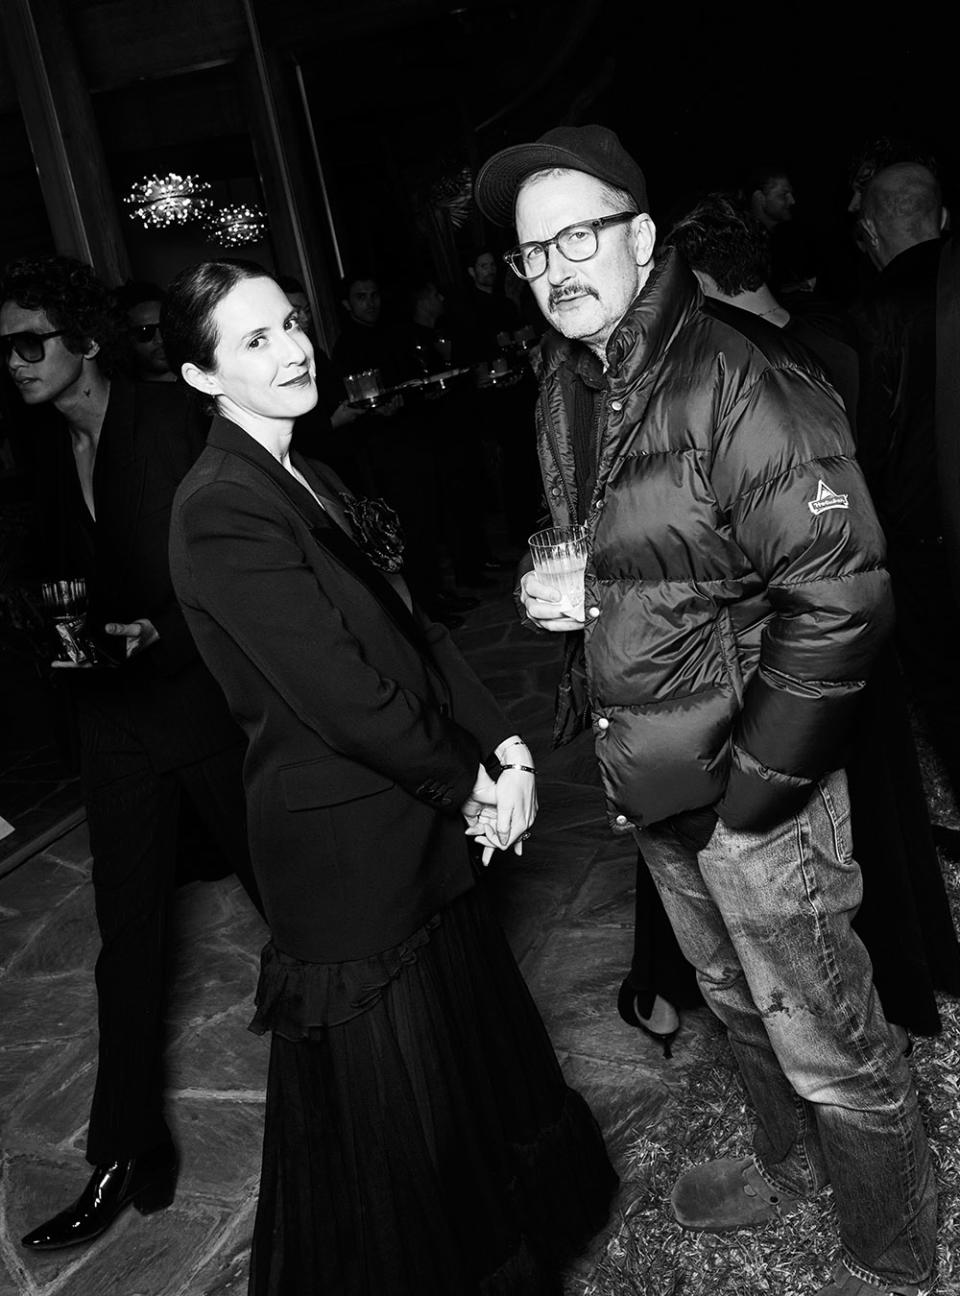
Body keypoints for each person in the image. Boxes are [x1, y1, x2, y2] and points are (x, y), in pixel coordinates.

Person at [476, 124, 935, 1296]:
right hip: (656, 775)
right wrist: (589, 609)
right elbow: (648, 560)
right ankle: (790, 1169)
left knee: (828, 1031)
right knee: (735, 1003)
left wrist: (757, 793)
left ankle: (892, 1247)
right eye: (534, 254)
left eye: (580, 235)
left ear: (641, 238)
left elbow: (842, 596)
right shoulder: (572, 383)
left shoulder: (740, 377)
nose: (557, 267)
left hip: (751, 787)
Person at [163, 259, 617, 1295]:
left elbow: (411, 636)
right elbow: (345, 696)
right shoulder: (218, 508)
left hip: (411, 825)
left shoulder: (309, 473)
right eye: (254, 342)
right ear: (201, 380)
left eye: (290, 324)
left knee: (466, 1086)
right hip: (347, 856)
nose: (291, 349)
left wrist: (503, 748)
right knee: (395, 1142)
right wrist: (472, 786)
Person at [1, 255, 260, 1252]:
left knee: (294, 900)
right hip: (115, 725)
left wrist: (169, 632)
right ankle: (122, 1146)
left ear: (86, 340)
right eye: (5, 348)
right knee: (127, 939)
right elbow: (55, 575)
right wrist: (48, 617)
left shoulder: (166, 417)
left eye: (33, 340)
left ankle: (388, 1081)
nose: (16, 361)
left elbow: (235, 548)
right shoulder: (42, 448)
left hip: (201, 705)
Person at [666, 192, 960, 1035]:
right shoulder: (836, 326)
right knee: (884, 812)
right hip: (875, 608)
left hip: (816, 636)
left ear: (704, 283)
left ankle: (886, 997)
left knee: (845, 837)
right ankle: (916, 973)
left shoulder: (755, 367)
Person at [855, 163, 960, 854]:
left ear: (870, 232)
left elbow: (873, 442)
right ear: (942, 218)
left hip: (926, 544)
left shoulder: (875, 312)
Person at [115, 280, 176, 382]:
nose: (160, 339)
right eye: (145, 331)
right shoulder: (126, 395)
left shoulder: (205, 383)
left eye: (165, 327)